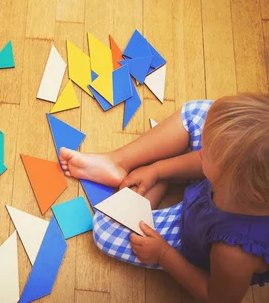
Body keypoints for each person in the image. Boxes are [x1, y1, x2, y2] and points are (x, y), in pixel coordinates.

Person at [60, 95, 269, 302]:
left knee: (104, 229)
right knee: (196, 113)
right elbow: (205, 160)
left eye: (209, 153)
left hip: (191, 235)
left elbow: (216, 298)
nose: (202, 152)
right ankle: (117, 162)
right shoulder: (241, 180)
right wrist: (158, 170)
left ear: (238, 187)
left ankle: (168, 160)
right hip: (208, 194)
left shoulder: (234, 252)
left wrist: (164, 255)